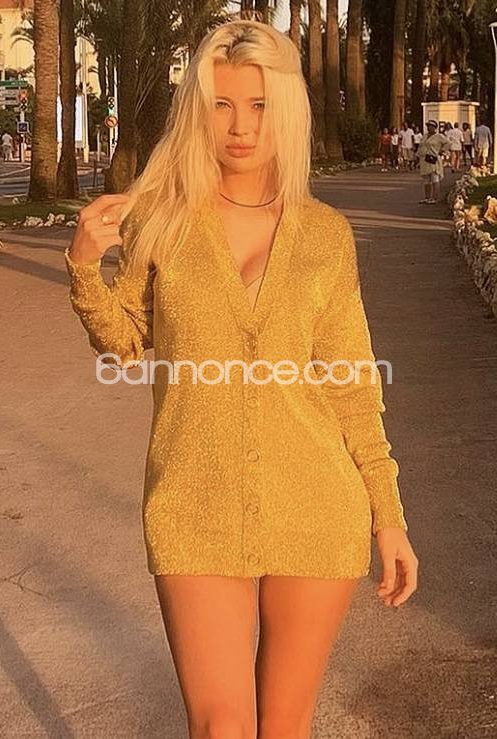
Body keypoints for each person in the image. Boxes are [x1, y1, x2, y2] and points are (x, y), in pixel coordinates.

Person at [64, 20, 418, 737]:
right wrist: (83, 268)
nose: (240, 126)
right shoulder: (163, 222)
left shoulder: (324, 236)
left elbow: (352, 385)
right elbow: (125, 343)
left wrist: (388, 515)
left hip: (317, 503)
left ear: (285, 109)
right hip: (192, 501)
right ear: (198, 112)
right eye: (221, 104)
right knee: (220, 726)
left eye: (258, 105)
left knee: (284, 725)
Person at [417, 119, 451, 204]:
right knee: (426, 180)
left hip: (433, 159)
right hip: (424, 159)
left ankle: (435, 198)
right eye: (428, 126)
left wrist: (442, 151)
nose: (429, 128)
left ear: (434, 127)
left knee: (434, 178)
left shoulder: (439, 136)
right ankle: (427, 197)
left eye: (430, 126)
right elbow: (421, 147)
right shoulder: (425, 136)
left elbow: (448, 143)